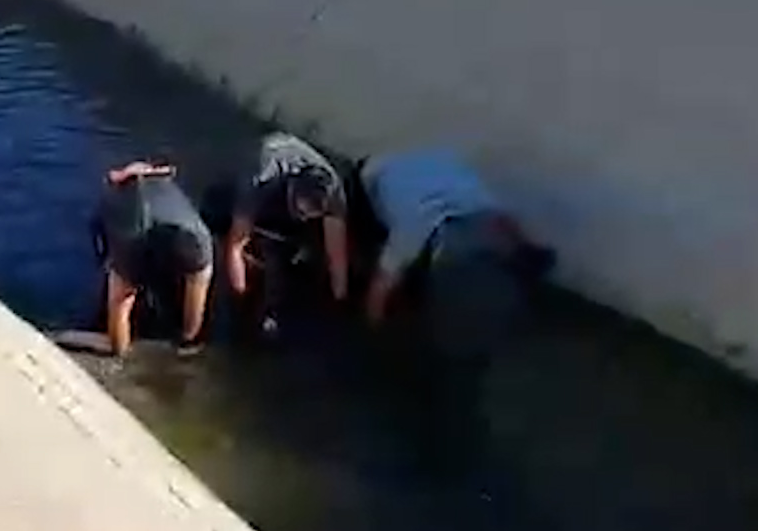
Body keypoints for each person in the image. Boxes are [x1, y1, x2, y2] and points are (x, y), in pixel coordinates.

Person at [354, 148, 555, 364]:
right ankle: (520, 257)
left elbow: (383, 283)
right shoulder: (434, 161)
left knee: (454, 290)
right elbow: (490, 209)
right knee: (492, 221)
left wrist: (371, 325)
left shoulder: (408, 222)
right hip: (479, 215)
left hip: (453, 242)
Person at [211, 132, 352, 337]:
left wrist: (340, 302)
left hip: (294, 180)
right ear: (293, 187)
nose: (304, 216)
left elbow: (337, 257)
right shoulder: (259, 179)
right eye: (301, 211)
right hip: (264, 167)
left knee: (307, 252)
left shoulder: (334, 194)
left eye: (310, 215)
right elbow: (235, 247)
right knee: (224, 220)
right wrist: (240, 299)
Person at [89, 161, 215, 358]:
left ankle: (119, 351)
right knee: (197, 280)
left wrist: (111, 267)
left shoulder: (110, 197)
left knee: (121, 299)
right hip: (189, 235)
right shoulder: (171, 189)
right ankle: (188, 340)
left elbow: (101, 245)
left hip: (133, 234)